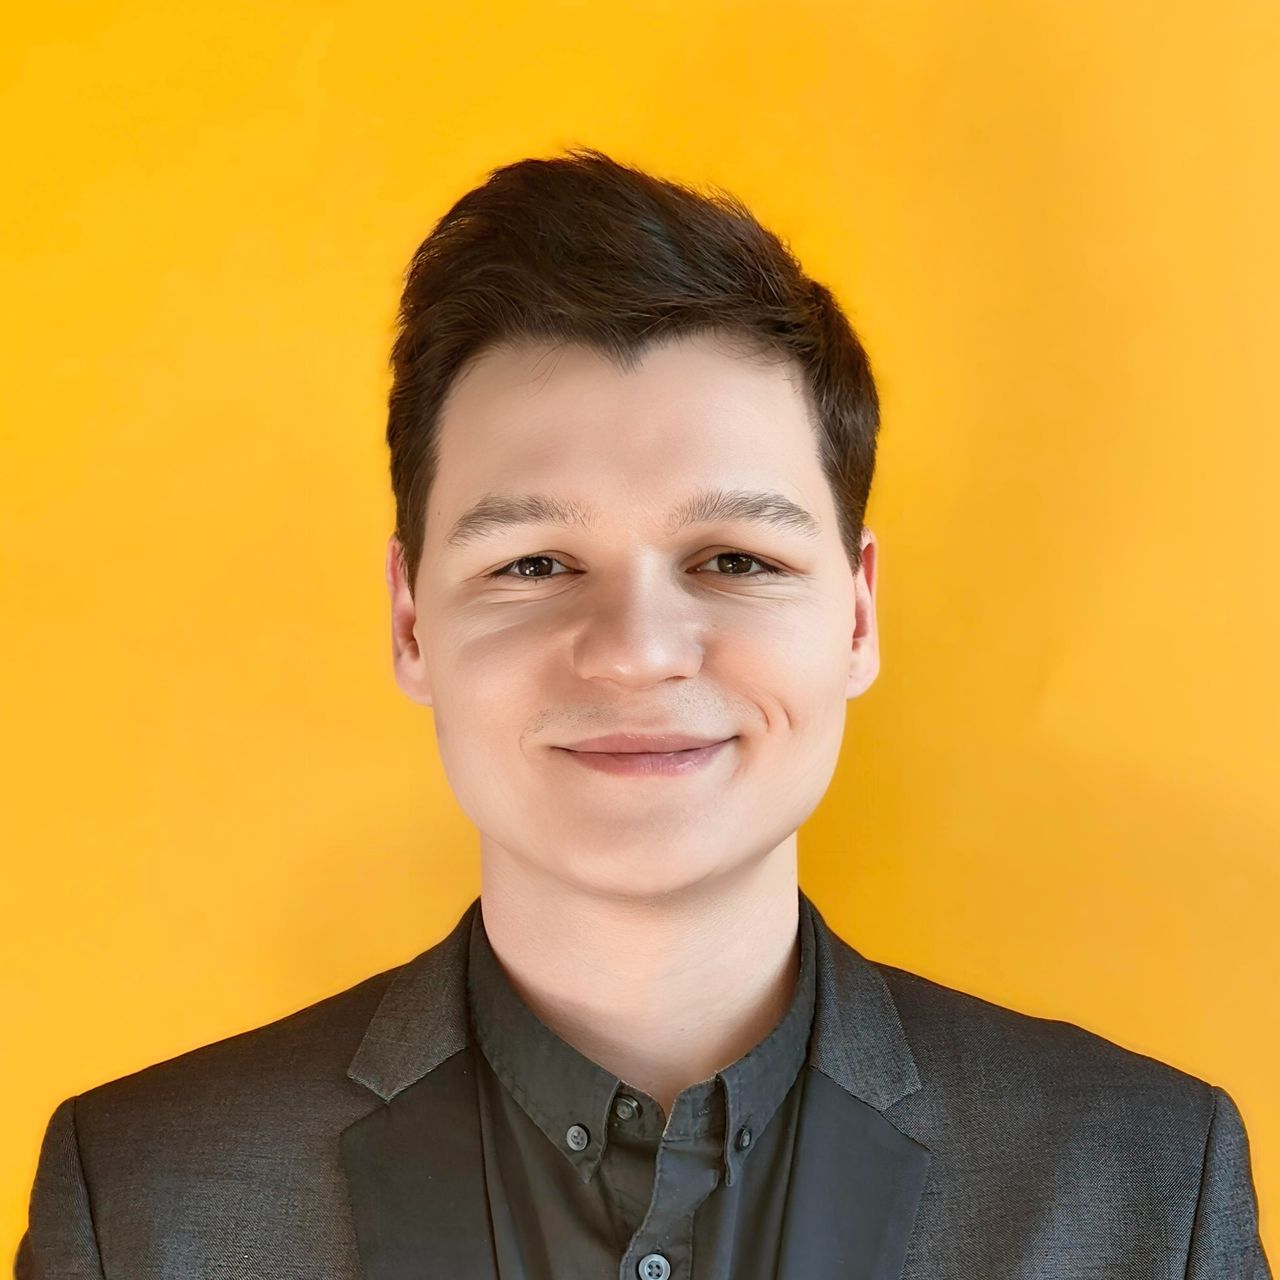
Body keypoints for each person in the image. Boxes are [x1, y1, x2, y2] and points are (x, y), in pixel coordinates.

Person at [15, 146, 1270, 1280]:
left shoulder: (1144, 1188)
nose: (635, 651)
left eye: (734, 558)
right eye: (532, 563)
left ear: (855, 615)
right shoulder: (144, 1205)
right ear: (410, 622)